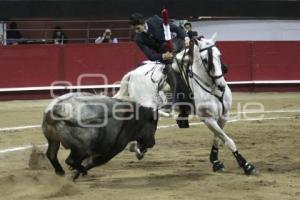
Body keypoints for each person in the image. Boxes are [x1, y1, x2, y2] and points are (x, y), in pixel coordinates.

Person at [129, 13, 192, 128]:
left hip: (176, 45)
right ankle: (183, 111)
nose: (137, 31)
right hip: (164, 56)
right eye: (134, 30)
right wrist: (163, 56)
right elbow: (150, 55)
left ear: (143, 23)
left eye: (138, 28)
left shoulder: (156, 20)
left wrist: (186, 37)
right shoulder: (138, 38)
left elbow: (176, 29)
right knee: (174, 77)